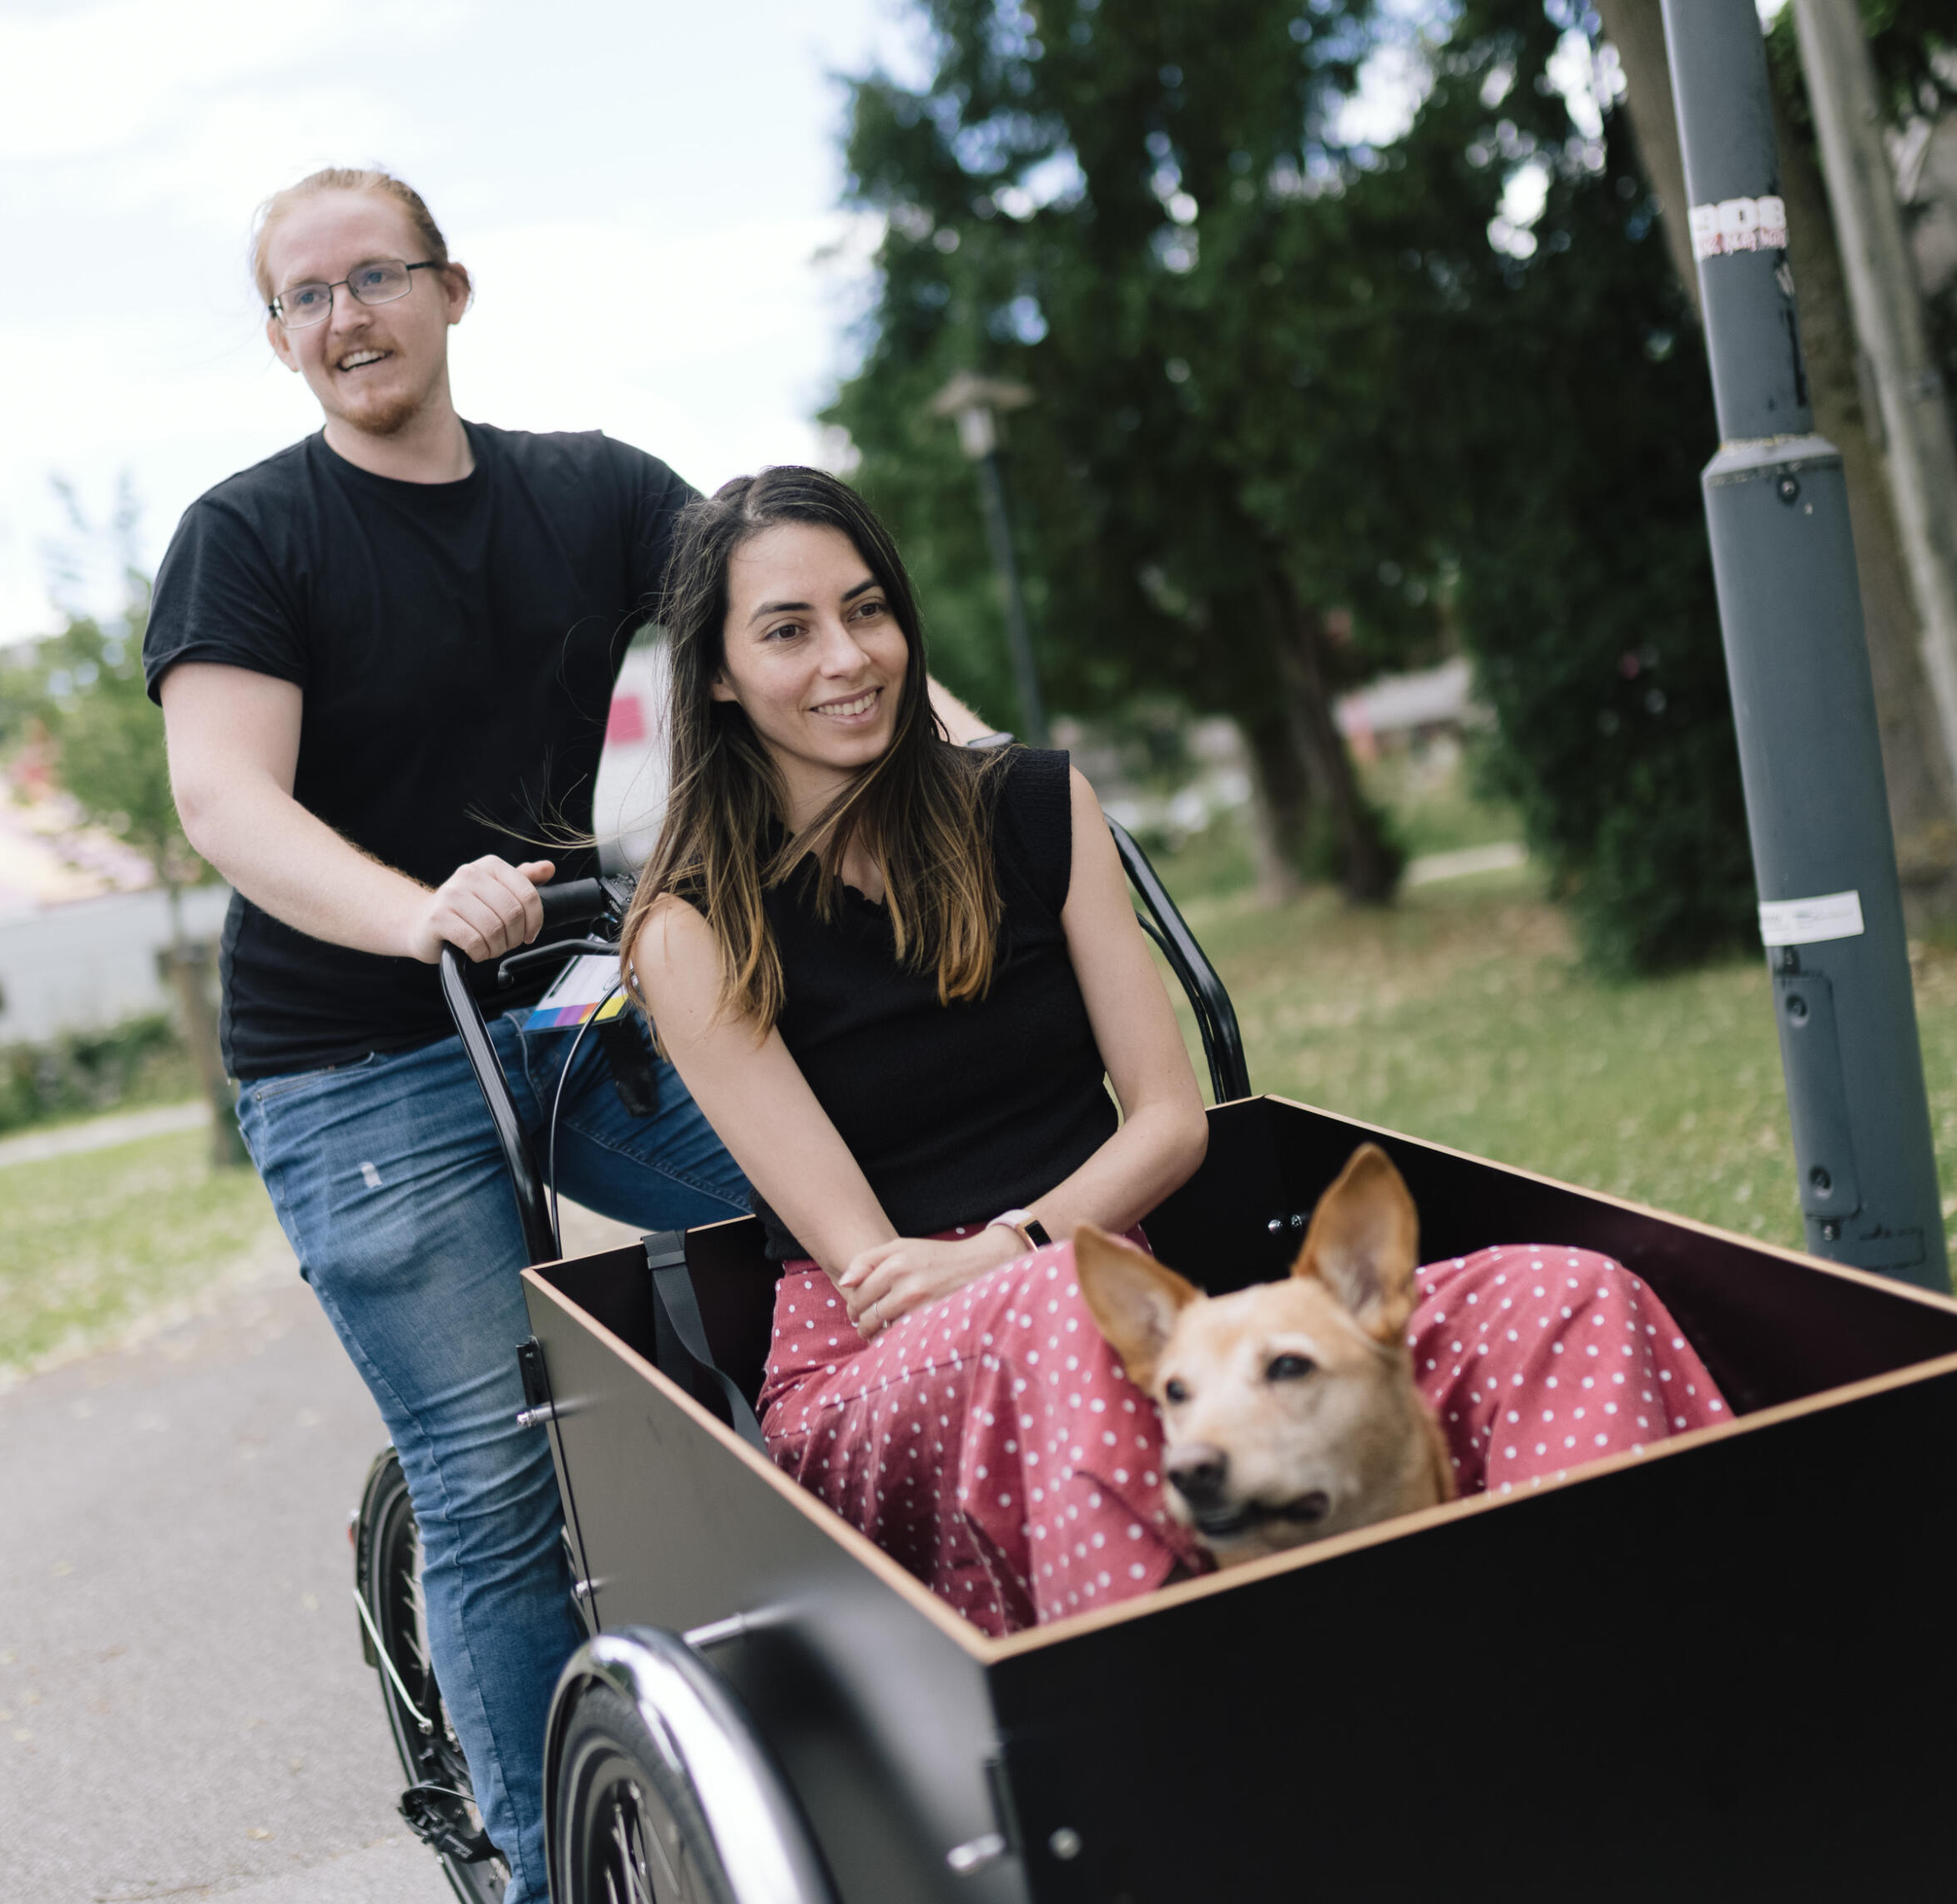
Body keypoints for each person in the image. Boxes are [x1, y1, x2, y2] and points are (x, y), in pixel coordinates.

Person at [142, 169, 992, 1900]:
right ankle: (547, 1875)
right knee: (497, 1467)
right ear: (281, 338)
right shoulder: (253, 535)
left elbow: (789, 615)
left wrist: (987, 778)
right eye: (302, 298)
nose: (344, 317)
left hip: (554, 1004)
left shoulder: (586, 491)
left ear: (452, 291)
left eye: (374, 276)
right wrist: (415, 910)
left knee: (851, 1195)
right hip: (353, 1062)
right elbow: (225, 799)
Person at [625, 466, 1730, 1634]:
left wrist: (1027, 1244)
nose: (847, 658)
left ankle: (1607, 1644)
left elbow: (1169, 1116)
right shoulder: (693, 923)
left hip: (1137, 1320)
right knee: (1057, 1309)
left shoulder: (1040, 807)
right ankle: (1191, 1726)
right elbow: (876, 1272)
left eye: (867, 610)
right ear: (718, 673)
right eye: (788, 631)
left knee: (1561, 1293)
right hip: (876, 1370)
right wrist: (1025, 1271)